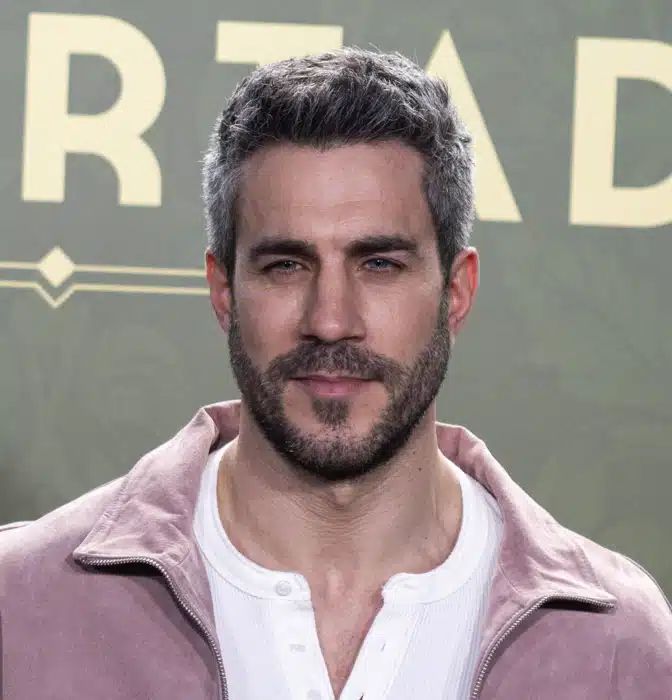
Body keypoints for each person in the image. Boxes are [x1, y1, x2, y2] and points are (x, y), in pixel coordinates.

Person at [0, 48, 670, 700]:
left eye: (379, 264)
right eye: (286, 266)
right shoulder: (23, 602)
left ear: (456, 292)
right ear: (224, 292)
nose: (329, 320)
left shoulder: (619, 645)